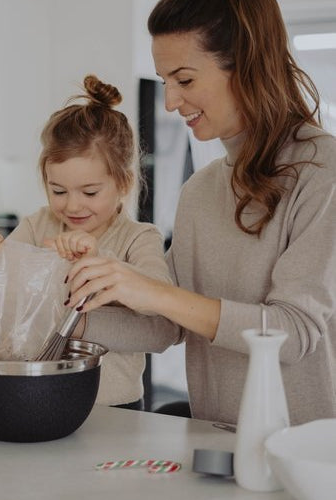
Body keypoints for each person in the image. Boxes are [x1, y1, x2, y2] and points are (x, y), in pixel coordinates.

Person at [62, 0, 336, 426]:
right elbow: (165, 328)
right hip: (215, 449)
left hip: (302, 460)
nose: (171, 101)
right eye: (165, 81)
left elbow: (293, 333)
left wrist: (155, 292)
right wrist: (60, 314)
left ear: (245, 64)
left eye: (184, 79)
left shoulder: (322, 171)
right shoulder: (201, 191)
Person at [0, 74, 171, 410]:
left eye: (90, 192)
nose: (72, 206)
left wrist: (99, 262)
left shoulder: (138, 239)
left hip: (114, 410)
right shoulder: (39, 224)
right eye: (58, 191)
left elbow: (157, 319)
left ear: (124, 183)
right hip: (38, 397)